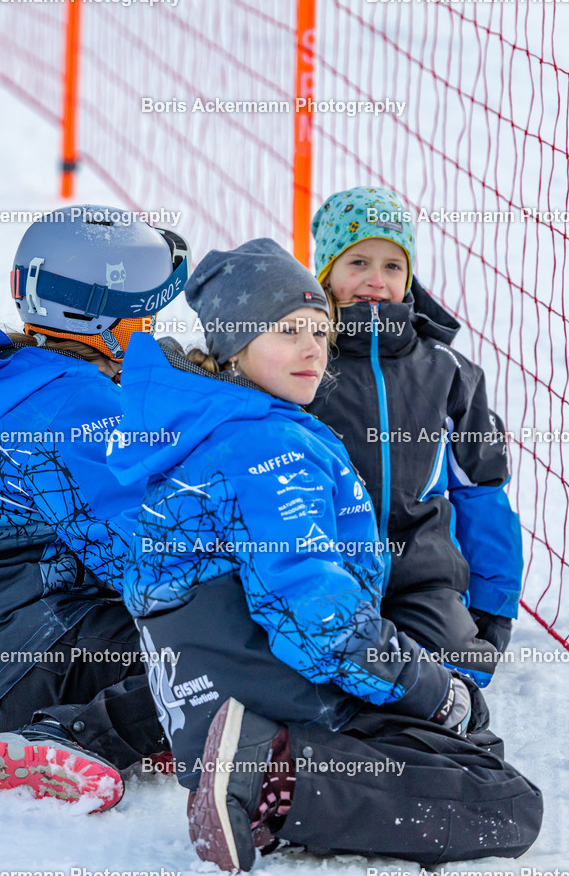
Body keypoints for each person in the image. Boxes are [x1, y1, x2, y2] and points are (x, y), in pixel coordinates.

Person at [112, 238, 541, 871]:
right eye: (288, 331)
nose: (314, 348)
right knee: (503, 800)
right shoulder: (272, 452)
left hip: (211, 702)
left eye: (320, 329)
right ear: (235, 347)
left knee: (466, 745)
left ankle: (269, 774)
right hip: (274, 702)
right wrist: (429, 689)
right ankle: (268, 779)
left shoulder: (204, 428)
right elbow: (320, 621)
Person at [0, 206, 188, 810]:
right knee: (221, 646)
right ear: (103, 322)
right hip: (22, 662)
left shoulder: (38, 377)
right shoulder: (77, 409)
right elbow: (136, 555)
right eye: (144, 316)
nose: (152, 328)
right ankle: (75, 734)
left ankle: (151, 719)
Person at [308, 187, 523, 688]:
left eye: (393, 266)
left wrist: (493, 602)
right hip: (326, 569)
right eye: (357, 261)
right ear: (326, 273)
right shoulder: (305, 360)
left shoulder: (447, 372)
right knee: (322, 677)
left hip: (421, 578)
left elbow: (482, 491)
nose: (375, 281)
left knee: (454, 675)